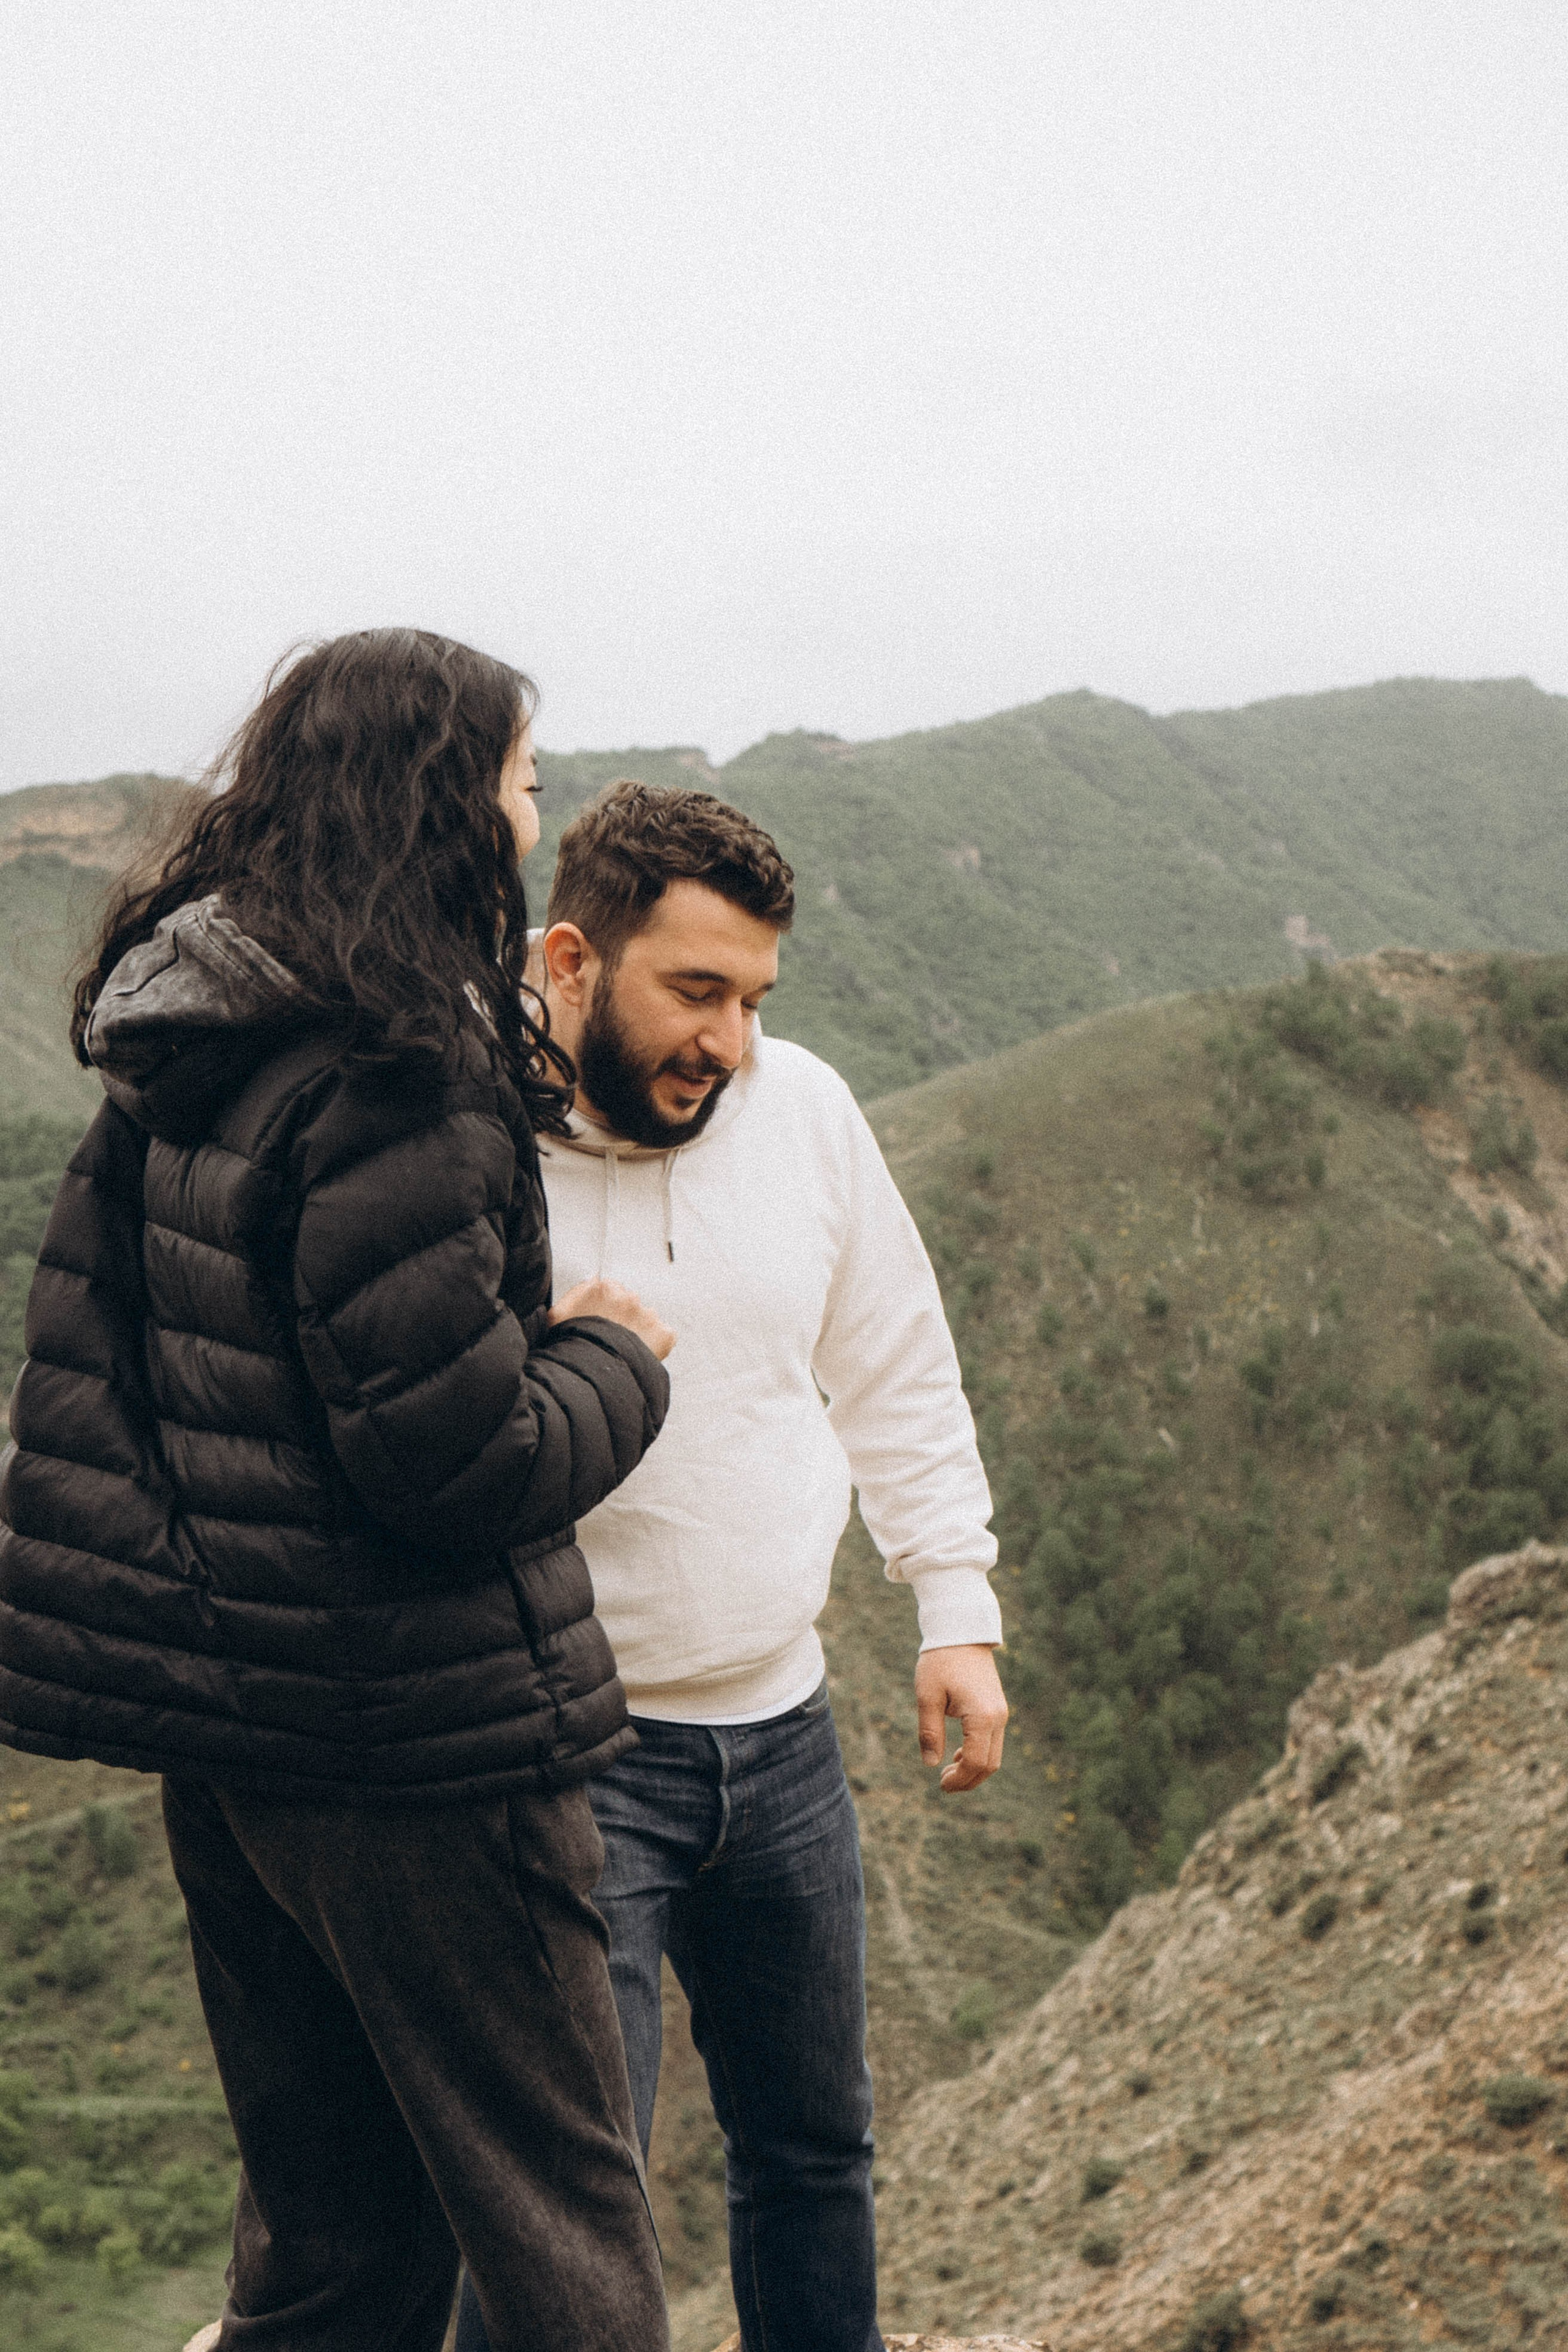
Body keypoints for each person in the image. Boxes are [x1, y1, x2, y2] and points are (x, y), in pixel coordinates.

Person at [0, 635, 677, 2352]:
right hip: (418, 1746)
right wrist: (613, 1359)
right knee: (563, 2234)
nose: (538, 815)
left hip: (235, 1742)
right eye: (525, 780)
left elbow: (109, 1377)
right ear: (448, 804)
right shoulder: (398, 1071)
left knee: (332, 2249)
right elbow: (457, 1461)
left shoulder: (189, 1040)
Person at [455, 780, 1008, 2352]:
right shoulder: (466, 1135)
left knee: (813, 2152)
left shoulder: (805, 1110)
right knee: (571, 2204)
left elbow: (892, 1361)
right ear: (572, 958)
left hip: (783, 1742)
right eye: (694, 992)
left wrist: (950, 1607)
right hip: (564, 1758)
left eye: (755, 998)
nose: (730, 1042)